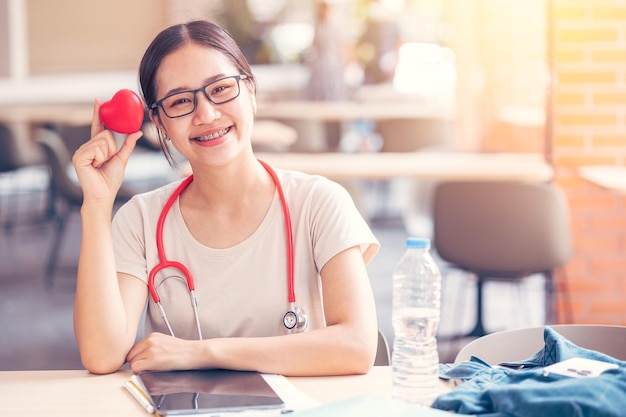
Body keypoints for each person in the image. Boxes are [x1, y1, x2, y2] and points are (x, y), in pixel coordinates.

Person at [72, 20, 380, 376]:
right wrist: (96, 204)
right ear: (160, 122)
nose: (206, 114)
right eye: (181, 101)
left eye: (220, 89)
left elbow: (356, 347)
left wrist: (200, 353)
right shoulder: (140, 219)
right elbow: (101, 354)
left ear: (250, 91)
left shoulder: (319, 203)